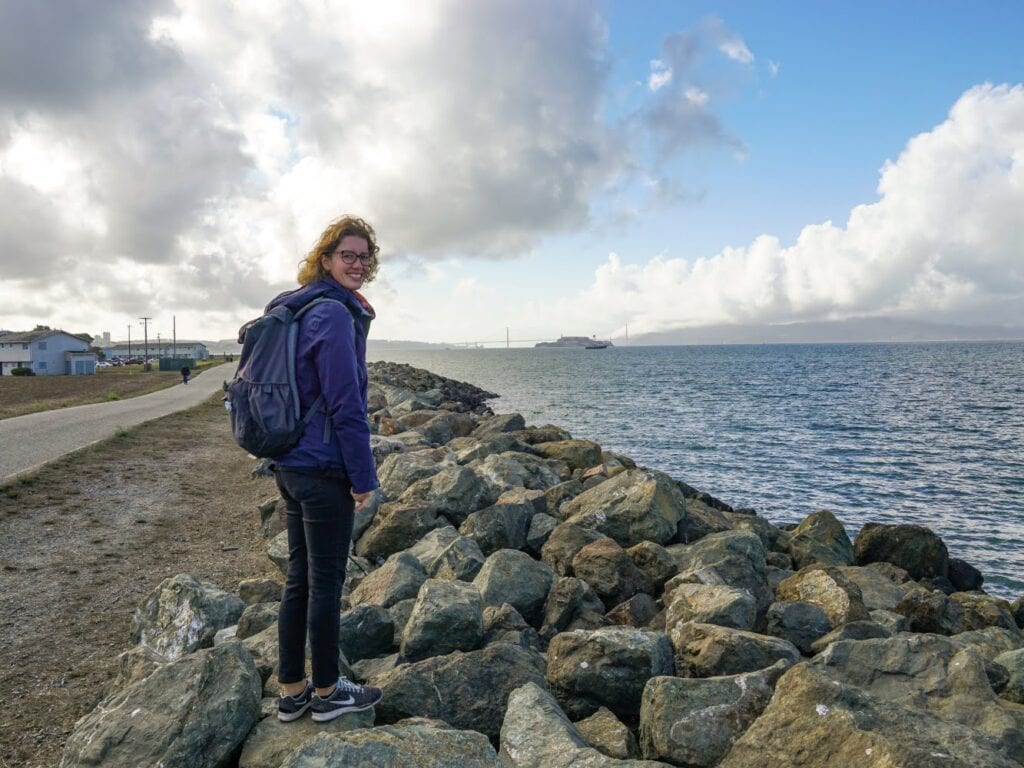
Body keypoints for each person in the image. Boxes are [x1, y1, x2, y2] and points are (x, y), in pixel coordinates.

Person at [270, 215, 383, 723]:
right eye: (348, 255)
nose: (358, 264)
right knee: (325, 583)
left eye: (364, 256)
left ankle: (292, 690)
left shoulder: (298, 307)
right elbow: (346, 403)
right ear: (326, 259)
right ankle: (327, 692)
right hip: (321, 468)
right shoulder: (333, 315)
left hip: (290, 462)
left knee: (300, 579)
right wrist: (363, 478)